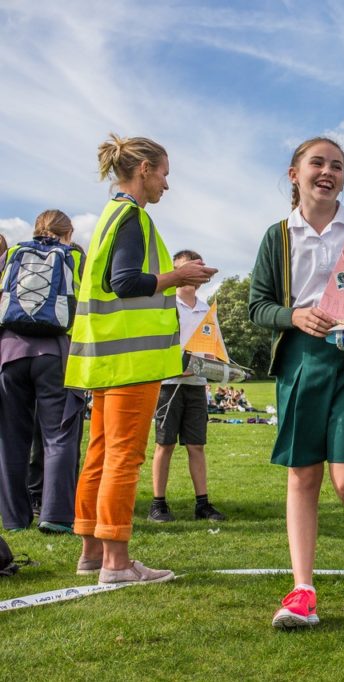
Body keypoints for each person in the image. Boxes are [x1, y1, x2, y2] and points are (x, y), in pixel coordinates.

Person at [249, 136, 344, 629]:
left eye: (337, 165)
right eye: (318, 163)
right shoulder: (278, 236)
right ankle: (302, 591)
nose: (328, 172)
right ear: (295, 174)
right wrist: (294, 315)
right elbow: (258, 306)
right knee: (303, 476)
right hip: (300, 362)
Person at [66, 134, 217, 585]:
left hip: (106, 359)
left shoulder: (111, 215)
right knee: (123, 457)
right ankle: (116, 563)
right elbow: (126, 282)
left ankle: (92, 551)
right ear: (145, 170)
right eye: (164, 174)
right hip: (131, 362)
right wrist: (180, 275)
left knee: (99, 453)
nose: (166, 184)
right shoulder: (132, 217)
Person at [0, 210, 85, 533]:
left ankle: (14, 518)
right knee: (58, 436)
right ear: (68, 233)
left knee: (11, 438)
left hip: (10, 353)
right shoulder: (73, 257)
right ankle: (56, 515)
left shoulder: (12, 254)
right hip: (55, 354)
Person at [148, 249, 227, 524]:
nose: (192, 275)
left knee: (196, 446)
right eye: (186, 268)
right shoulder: (165, 305)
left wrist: (218, 366)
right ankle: (158, 504)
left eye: (197, 268)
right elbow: (156, 346)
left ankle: (202, 504)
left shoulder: (207, 310)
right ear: (176, 271)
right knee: (165, 444)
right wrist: (174, 366)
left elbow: (217, 350)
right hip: (169, 385)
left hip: (196, 385)